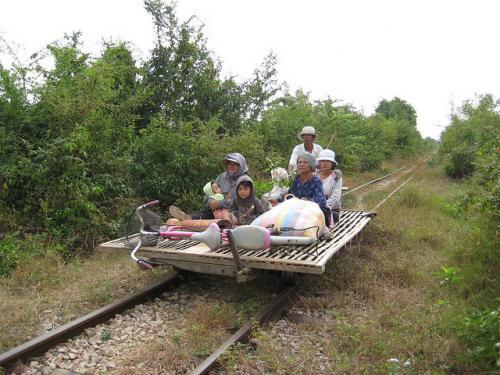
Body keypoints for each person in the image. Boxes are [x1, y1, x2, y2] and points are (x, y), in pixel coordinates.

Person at [169, 153, 249, 220]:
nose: (231, 166)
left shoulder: (245, 180)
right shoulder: (222, 177)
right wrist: (209, 202)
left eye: (235, 164)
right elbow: (210, 191)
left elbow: (241, 201)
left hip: (235, 211)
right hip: (218, 210)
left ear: (240, 166)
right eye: (229, 164)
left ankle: (225, 223)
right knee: (207, 211)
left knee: (234, 213)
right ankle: (188, 218)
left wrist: (220, 203)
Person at [288, 153, 332, 226]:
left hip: (313, 211)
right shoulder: (296, 179)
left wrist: (305, 201)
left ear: (311, 166)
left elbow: (321, 201)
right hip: (298, 211)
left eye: (305, 162)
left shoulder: (316, 181)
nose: (301, 164)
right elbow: (290, 195)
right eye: (299, 162)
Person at [316, 149, 343, 224]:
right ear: (319, 163)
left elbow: (335, 197)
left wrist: (321, 206)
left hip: (330, 209)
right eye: (323, 161)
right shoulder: (314, 175)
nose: (325, 163)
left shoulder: (336, 177)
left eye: (328, 161)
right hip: (313, 207)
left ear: (332, 163)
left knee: (323, 217)